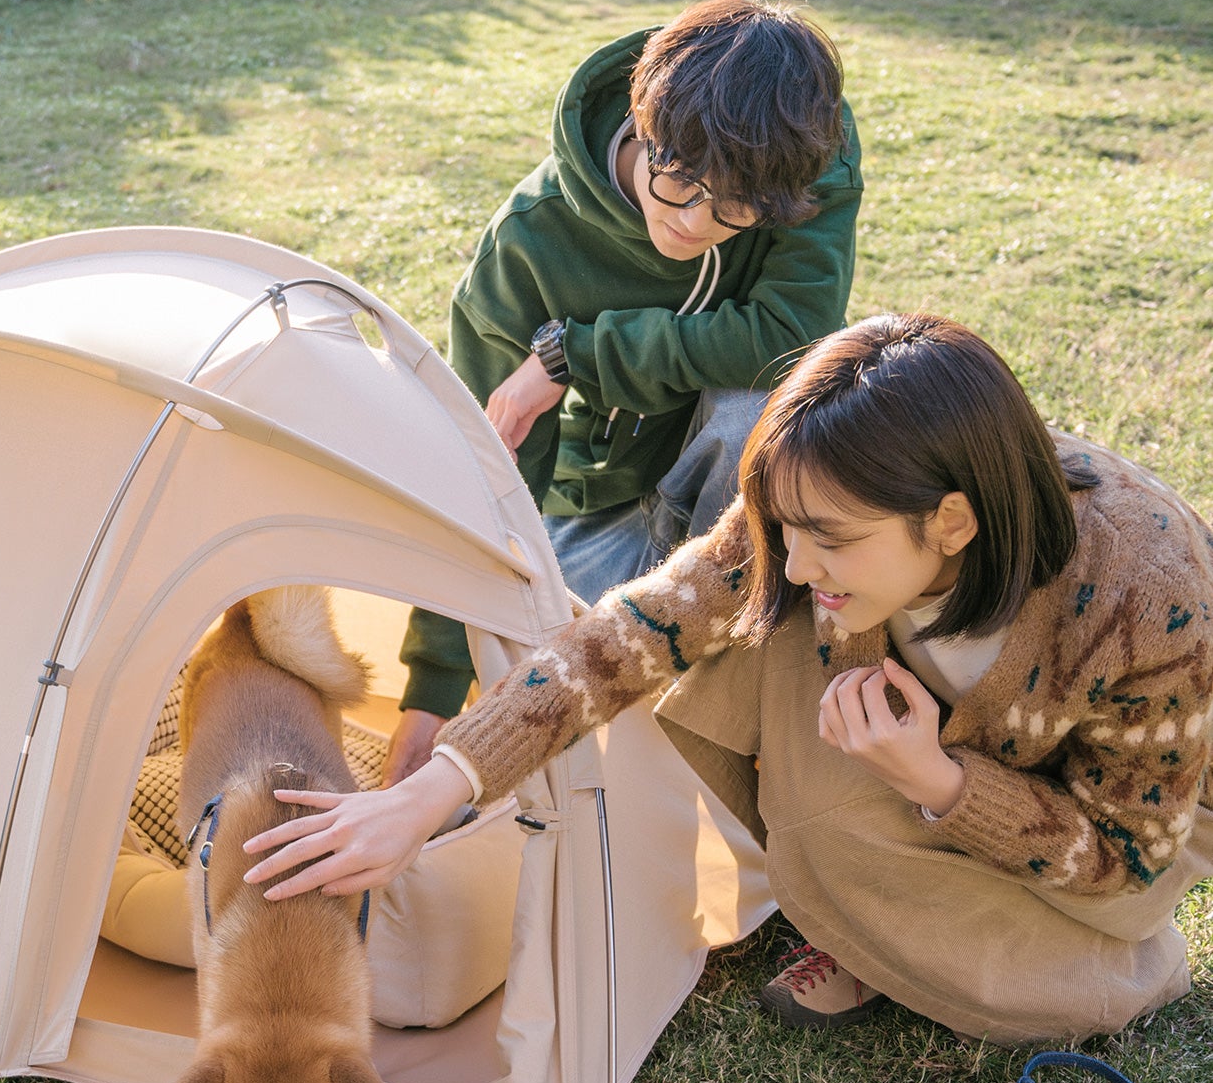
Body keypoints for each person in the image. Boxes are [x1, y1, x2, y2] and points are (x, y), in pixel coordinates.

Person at [242, 313, 1213, 1044]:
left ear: (952, 523)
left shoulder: (1146, 598)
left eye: (829, 542)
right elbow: (627, 639)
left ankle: (1053, 958)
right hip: (902, 743)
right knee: (738, 641)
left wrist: (941, 784)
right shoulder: (822, 487)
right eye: (785, 532)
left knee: (920, 893)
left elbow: (1127, 851)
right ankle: (853, 899)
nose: (794, 564)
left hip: (1091, 845)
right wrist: (429, 795)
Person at [387, 0, 864, 785]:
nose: (695, 223)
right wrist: (432, 689)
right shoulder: (528, 242)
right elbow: (482, 471)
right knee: (528, 700)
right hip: (585, 520)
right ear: (645, 126)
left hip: (729, 521)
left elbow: (793, 333)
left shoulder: (800, 158)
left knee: (768, 410)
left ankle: (731, 672)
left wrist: (575, 355)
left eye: (735, 208)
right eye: (680, 182)